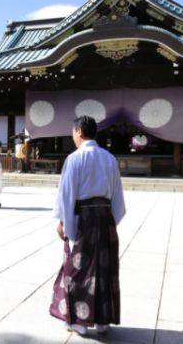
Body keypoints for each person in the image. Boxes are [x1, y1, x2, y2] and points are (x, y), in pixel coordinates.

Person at [50, 116, 125, 336]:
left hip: (85, 218)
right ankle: (103, 321)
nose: (72, 136)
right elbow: (117, 195)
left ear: (79, 132)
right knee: (104, 268)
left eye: (73, 132)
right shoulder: (109, 158)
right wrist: (111, 220)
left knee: (79, 269)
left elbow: (67, 194)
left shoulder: (74, 159)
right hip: (105, 217)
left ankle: (80, 322)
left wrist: (64, 222)